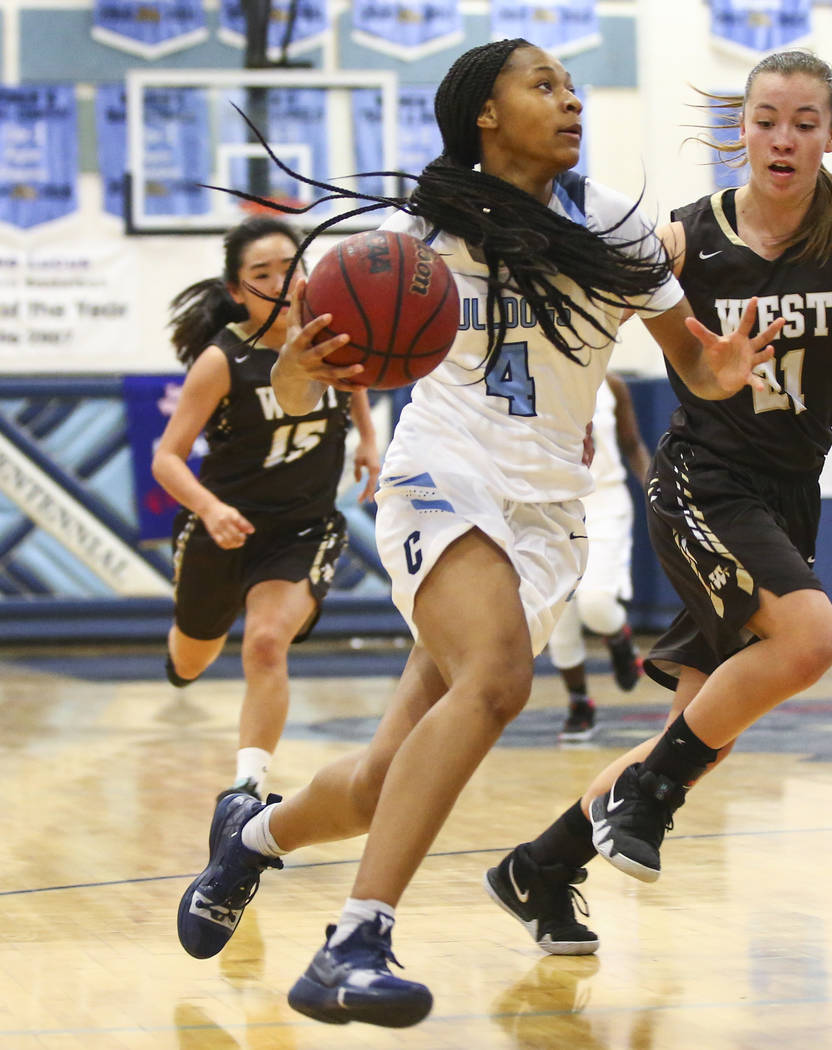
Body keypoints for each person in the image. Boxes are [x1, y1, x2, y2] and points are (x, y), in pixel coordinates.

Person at [173, 38, 783, 1028]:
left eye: (572, 84)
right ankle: (355, 938)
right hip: (443, 476)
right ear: (484, 114)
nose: (570, 98)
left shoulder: (616, 228)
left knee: (381, 784)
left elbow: (697, 366)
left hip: (550, 509)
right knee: (496, 680)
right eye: (543, 83)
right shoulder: (420, 232)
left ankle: (251, 840)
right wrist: (297, 374)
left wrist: (731, 365)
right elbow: (295, 375)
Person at [484, 47, 832, 955]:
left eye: (804, 122)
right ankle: (647, 807)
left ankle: (540, 866)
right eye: (766, 119)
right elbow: (584, 331)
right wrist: (555, 420)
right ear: (742, 129)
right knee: (812, 638)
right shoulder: (684, 237)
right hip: (702, 477)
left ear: (831, 134)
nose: (783, 138)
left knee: (701, 733)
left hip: (786, 495)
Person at [153, 215, 379, 803]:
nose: (282, 283)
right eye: (262, 274)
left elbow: (351, 386)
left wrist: (369, 444)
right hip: (225, 528)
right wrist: (208, 509)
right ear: (236, 291)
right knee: (189, 663)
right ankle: (184, 646)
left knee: (264, 643)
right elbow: (167, 460)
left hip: (301, 528)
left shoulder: (334, 334)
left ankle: (247, 788)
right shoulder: (221, 361)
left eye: (290, 267)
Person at [548, 370, 650, 742]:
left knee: (595, 604)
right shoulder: (537, 378)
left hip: (606, 501)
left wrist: (658, 489)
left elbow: (632, 444)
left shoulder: (614, 384)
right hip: (552, 506)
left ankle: (618, 637)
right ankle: (580, 704)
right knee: (558, 621)